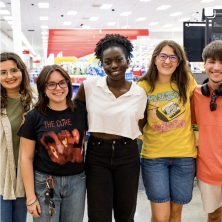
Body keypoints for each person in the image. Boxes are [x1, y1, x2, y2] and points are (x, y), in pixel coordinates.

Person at [74, 34, 147, 222]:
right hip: (97, 154)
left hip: (128, 153)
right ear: (102, 64)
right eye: (108, 62)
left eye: (119, 60)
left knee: (126, 212)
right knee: (98, 214)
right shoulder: (88, 87)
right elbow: (72, 113)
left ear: (128, 61)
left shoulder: (139, 93)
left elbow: (141, 121)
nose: (113, 65)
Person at [18, 65, 87, 222]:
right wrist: (30, 197)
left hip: (77, 182)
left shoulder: (82, 111)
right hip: (45, 184)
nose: (58, 88)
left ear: (68, 85)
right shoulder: (33, 117)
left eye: (62, 82)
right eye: (51, 84)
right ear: (43, 88)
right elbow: (26, 158)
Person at [138, 40, 197, 222]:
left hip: (184, 157)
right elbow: (137, 120)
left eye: (173, 57)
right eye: (163, 56)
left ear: (179, 61)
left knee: (175, 215)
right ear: (155, 59)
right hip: (154, 158)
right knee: (160, 216)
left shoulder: (186, 81)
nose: (167, 61)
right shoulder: (143, 86)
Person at [0, 52, 36, 222]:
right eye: (3, 72)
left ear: (22, 71)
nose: (9, 76)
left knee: (20, 218)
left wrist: (34, 117)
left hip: (25, 172)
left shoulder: (35, 100)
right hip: (1, 172)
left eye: (14, 70)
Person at [191, 40, 222, 222]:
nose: (216, 67)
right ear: (204, 64)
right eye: (212, 61)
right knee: (214, 215)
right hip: (208, 170)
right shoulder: (195, 94)